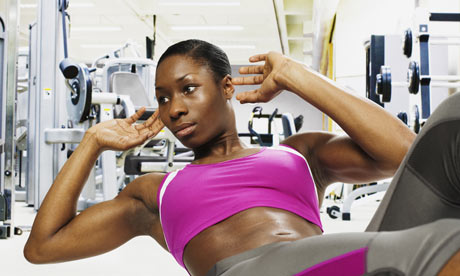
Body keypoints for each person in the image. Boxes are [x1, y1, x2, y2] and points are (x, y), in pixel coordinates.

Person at [24, 39, 460, 276]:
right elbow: (42, 247)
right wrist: (93, 142)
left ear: (227, 88)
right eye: (162, 98)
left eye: (188, 88)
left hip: (336, 259)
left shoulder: (299, 154)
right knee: (438, 244)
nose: (173, 108)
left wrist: (296, 76)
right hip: (248, 272)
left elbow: (407, 154)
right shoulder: (156, 192)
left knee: (453, 118)